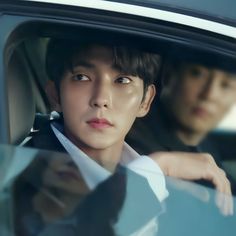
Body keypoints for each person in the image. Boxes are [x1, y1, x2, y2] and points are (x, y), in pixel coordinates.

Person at [127, 49, 236, 193]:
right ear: (169, 75)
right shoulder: (133, 141)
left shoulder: (206, 146)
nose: (209, 95)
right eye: (197, 74)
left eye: (226, 85)